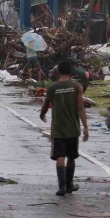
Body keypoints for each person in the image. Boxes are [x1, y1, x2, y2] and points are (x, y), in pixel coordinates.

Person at [39, 61, 89, 196]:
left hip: (58, 128)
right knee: (71, 157)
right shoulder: (77, 87)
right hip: (73, 127)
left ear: (58, 72)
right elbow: (80, 107)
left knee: (60, 155)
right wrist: (85, 127)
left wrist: (42, 114)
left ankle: (61, 187)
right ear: (72, 72)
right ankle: (69, 185)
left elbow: (46, 103)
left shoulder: (52, 87)